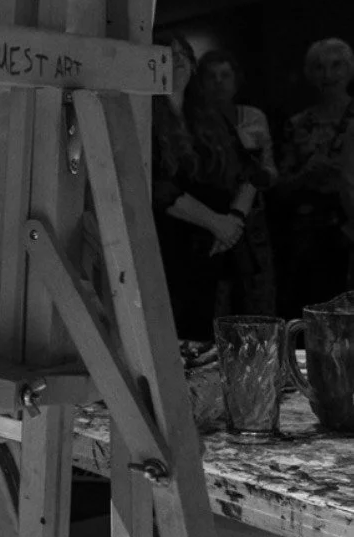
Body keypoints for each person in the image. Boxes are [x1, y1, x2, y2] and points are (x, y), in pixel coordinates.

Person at [151, 35, 271, 340]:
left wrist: (235, 221)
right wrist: (217, 224)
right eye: (167, 53)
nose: (176, 59)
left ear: (192, 65)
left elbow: (250, 171)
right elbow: (156, 186)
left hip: (218, 244)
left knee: (217, 330)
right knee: (177, 328)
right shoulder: (145, 116)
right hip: (171, 244)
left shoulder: (211, 116)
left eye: (183, 54)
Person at [275, 37, 354, 314]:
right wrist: (305, 176)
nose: (328, 75)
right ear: (309, 74)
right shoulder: (297, 124)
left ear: (350, 70)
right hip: (309, 236)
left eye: (337, 66)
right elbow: (280, 187)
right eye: (319, 67)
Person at [196, 49, 277, 316]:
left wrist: (255, 166)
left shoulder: (252, 116)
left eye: (225, 75)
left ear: (235, 80)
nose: (219, 82)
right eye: (211, 76)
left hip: (251, 215)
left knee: (257, 294)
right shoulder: (194, 119)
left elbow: (269, 170)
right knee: (217, 298)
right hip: (212, 214)